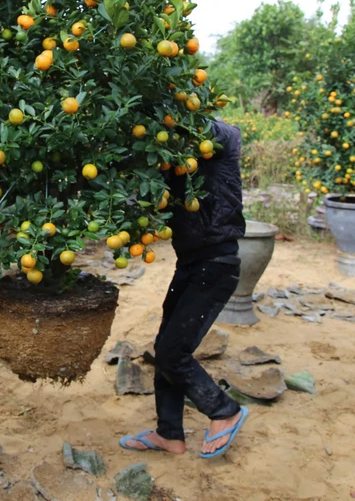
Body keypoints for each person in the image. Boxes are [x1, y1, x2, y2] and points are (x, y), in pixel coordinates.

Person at [120, 118, 248, 459]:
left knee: (173, 352)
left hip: (217, 263)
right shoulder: (172, 157)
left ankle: (224, 411)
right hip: (190, 263)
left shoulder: (219, 141)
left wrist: (174, 112)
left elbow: (223, 132)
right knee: (165, 347)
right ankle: (170, 434)